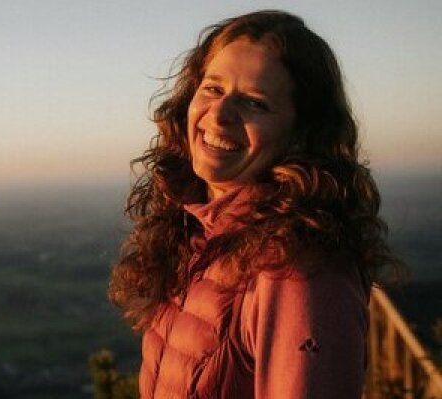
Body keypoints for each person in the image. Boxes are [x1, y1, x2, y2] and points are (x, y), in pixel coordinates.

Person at [108, 10, 402, 398]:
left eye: (255, 103)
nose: (219, 114)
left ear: (301, 133)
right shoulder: (197, 234)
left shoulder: (298, 271)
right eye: (212, 88)